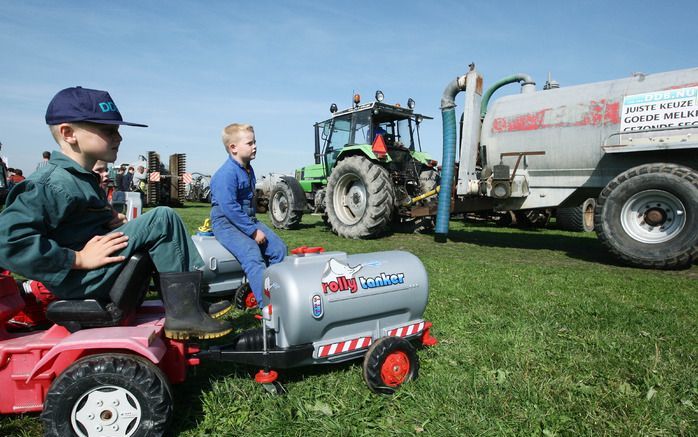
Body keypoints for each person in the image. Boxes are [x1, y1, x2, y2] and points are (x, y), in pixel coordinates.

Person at [0, 86, 231, 339]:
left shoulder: (80, 179)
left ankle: (188, 303)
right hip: (80, 278)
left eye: (118, 130)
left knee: (158, 221)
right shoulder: (51, 183)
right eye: (108, 130)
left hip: (91, 273)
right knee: (162, 218)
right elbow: (8, 242)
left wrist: (107, 223)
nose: (118, 137)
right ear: (68, 133)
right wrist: (77, 259)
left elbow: (74, 226)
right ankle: (184, 312)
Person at [210, 123, 287, 308]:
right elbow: (228, 207)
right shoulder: (226, 174)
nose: (255, 146)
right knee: (252, 254)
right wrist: (253, 232)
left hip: (246, 219)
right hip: (226, 223)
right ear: (233, 148)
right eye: (250, 143)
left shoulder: (248, 168)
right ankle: (267, 306)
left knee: (279, 250)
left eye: (255, 142)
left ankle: (276, 292)